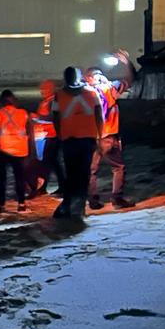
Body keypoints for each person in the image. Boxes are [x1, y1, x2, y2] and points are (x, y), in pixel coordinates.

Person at [85, 51, 137, 209]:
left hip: (91, 137)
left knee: (91, 170)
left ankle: (93, 200)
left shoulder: (85, 92)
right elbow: (130, 79)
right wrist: (126, 62)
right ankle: (116, 198)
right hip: (108, 136)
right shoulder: (108, 88)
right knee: (118, 167)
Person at [50, 67, 103, 219]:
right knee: (84, 174)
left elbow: (55, 117)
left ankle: (67, 205)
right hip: (88, 139)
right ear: (79, 77)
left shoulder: (59, 95)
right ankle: (79, 208)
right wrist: (99, 136)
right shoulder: (92, 93)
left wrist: (60, 135)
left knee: (71, 174)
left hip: (69, 139)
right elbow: (99, 115)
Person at [0, 89, 32, 213]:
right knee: (19, 178)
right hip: (19, 150)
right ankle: (21, 204)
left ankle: (2, 206)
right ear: (14, 101)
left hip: (1, 150)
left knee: (2, 179)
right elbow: (29, 132)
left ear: (1, 101)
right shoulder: (23, 113)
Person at [31, 79, 66, 197]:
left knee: (48, 162)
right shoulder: (46, 101)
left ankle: (45, 187)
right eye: (41, 89)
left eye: (44, 89)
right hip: (46, 135)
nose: (42, 91)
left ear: (51, 89)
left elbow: (53, 118)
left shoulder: (53, 101)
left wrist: (37, 118)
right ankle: (58, 186)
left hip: (52, 136)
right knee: (52, 162)